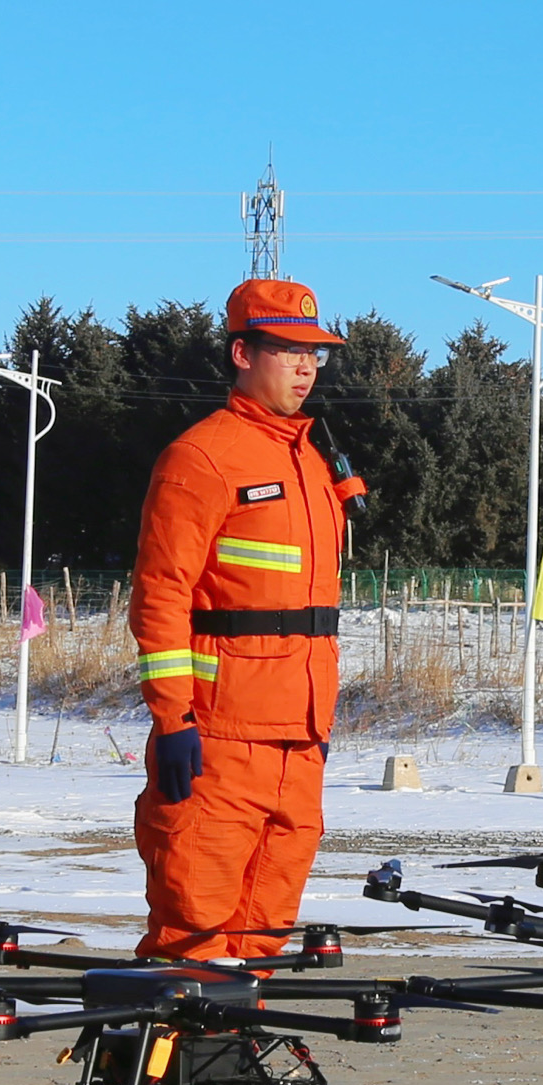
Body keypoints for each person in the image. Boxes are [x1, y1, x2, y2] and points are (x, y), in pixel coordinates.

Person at [128, 278, 361, 963]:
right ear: (241, 353)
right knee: (192, 937)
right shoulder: (200, 458)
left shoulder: (314, 464)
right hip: (217, 746)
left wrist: (316, 737)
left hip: (301, 745)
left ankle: (234, 1070)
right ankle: (162, 1069)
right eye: (288, 350)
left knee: (262, 945)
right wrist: (173, 721)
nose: (305, 366)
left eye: (315, 353)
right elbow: (160, 597)